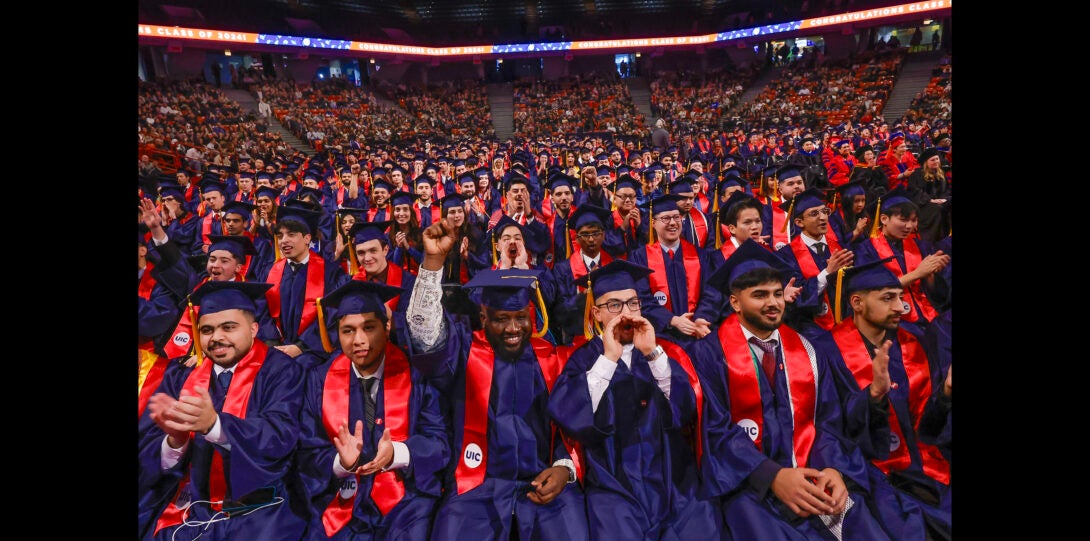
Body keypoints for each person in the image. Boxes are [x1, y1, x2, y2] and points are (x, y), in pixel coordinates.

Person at [688, 240, 892, 540]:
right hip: (748, 481)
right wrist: (772, 476)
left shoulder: (808, 350)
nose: (773, 303)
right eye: (759, 295)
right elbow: (715, 429)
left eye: (776, 293)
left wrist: (834, 468)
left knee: (860, 521)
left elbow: (827, 421)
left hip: (812, 469)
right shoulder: (708, 354)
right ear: (735, 302)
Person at [400, 223, 589, 541]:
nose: (514, 328)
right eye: (502, 319)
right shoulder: (464, 350)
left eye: (521, 318)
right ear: (483, 318)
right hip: (477, 485)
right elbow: (424, 332)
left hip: (542, 480)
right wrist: (433, 264)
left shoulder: (551, 358)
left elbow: (571, 426)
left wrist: (564, 468)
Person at [547, 259, 721, 539]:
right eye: (614, 305)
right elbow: (568, 415)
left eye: (633, 303)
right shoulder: (582, 358)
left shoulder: (666, 353)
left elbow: (686, 410)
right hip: (613, 485)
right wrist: (609, 358)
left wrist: (653, 354)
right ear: (597, 314)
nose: (626, 313)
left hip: (673, 480)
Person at [138, 281, 307, 541]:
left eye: (229, 327)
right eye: (206, 329)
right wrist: (174, 442)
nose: (216, 337)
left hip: (260, 506)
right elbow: (147, 452)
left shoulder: (282, 371)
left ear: (253, 329)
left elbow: (280, 436)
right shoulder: (180, 376)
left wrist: (214, 426)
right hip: (188, 505)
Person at [295, 280, 450, 540]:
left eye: (369, 328)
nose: (359, 340)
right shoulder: (319, 381)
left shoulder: (416, 375)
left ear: (387, 327)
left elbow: (440, 441)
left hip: (407, 499)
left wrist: (397, 454)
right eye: (348, 331)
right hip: (340, 497)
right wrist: (340, 462)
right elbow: (306, 449)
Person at [820, 259, 952, 540]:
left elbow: (929, 428)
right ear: (856, 303)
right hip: (874, 473)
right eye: (888, 298)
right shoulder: (826, 352)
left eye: (902, 297)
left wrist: (945, 395)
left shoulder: (915, 341)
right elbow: (832, 427)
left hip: (928, 464)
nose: (900, 306)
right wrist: (874, 396)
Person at [853, 187, 950, 329]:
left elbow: (939, 295)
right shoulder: (866, 250)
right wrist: (917, 274)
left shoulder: (922, 247)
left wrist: (930, 277)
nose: (910, 226)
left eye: (914, 220)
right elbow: (871, 292)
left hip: (929, 318)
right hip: (891, 323)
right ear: (884, 219)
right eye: (903, 220)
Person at [628, 194, 720, 340]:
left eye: (677, 217)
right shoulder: (639, 258)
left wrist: (700, 318)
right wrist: (672, 320)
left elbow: (712, 293)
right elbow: (641, 298)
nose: (673, 223)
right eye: (666, 218)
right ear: (653, 222)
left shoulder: (700, 255)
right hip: (659, 336)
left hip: (698, 333)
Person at [266, 205, 351, 361]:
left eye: (291, 234)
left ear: (307, 238)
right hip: (276, 349)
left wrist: (301, 346)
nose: (284, 241)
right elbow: (263, 313)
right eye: (280, 235)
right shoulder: (271, 272)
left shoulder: (330, 272)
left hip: (313, 351)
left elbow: (331, 315)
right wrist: (273, 344)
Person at [776, 188, 856, 341]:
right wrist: (827, 273)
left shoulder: (840, 248)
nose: (823, 217)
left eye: (825, 211)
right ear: (799, 222)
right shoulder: (785, 256)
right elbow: (795, 297)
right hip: (809, 331)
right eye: (814, 214)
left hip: (847, 326)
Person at [545, 204, 615, 346]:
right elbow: (559, 312)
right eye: (585, 234)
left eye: (595, 233)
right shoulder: (562, 269)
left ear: (603, 235)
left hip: (611, 336)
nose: (590, 239)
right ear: (576, 238)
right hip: (576, 338)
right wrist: (584, 295)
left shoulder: (613, 266)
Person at [904, 148, 950, 243]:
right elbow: (914, 192)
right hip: (922, 205)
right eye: (932, 160)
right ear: (926, 162)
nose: (936, 161)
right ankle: (934, 241)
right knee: (937, 209)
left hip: (940, 203)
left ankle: (948, 240)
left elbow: (947, 190)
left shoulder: (941, 174)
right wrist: (930, 200)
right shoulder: (917, 174)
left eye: (937, 159)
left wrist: (944, 199)